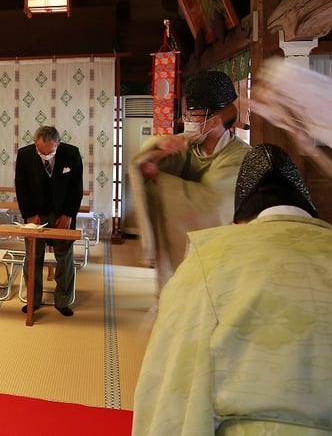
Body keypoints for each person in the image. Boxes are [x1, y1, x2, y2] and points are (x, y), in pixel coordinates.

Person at [132, 144, 332, 434]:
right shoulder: (192, 149)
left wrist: (162, 180)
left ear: (239, 219)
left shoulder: (207, 259)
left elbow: (172, 381)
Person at [129, 69, 250, 291]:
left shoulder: (240, 158)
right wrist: (158, 147)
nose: (186, 122)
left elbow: (212, 207)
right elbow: (144, 161)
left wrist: (159, 178)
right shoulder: (190, 144)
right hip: (177, 257)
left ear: (214, 121)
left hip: (218, 258)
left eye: (193, 115)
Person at [14, 125, 83, 317]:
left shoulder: (72, 153)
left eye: (50, 152)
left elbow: (76, 188)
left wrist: (69, 214)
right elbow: (21, 187)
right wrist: (29, 214)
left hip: (63, 213)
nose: (45, 155)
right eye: (41, 151)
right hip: (35, 213)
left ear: (58, 143)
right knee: (33, 257)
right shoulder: (25, 154)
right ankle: (33, 300)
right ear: (35, 143)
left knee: (64, 257)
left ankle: (62, 300)